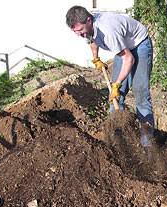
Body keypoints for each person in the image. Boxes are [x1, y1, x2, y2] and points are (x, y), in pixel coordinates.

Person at [66, 5, 154, 146]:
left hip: (139, 43)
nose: (79, 34)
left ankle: (146, 144)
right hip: (123, 47)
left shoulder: (108, 31)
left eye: (80, 30)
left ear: (89, 20)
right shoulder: (86, 29)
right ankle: (118, 141)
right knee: (115, 96)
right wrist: (96, 58)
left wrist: (117, 83)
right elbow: (91, 39)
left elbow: (129, 59)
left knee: (140, 93)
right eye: (75, 32)